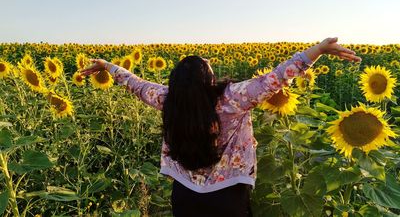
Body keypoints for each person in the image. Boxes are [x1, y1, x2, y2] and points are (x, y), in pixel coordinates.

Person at [80, 38, 361, 217]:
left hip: (185, 196)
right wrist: (318, 51)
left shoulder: (168, 99)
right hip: (228, 195)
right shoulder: (233, 99)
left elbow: (136, 84)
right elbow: (276, 78)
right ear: (209, 78)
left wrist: (107, 65)